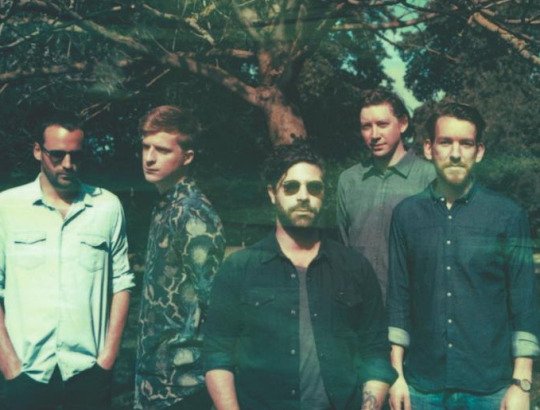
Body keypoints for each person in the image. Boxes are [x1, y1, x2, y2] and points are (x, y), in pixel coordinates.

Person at [204, 141, 396, 410]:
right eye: (291, 187)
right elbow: (217, 355)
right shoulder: (239, 269)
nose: (303, 196)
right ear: (272, 193)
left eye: (313, 187)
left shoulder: (355, 267)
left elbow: (375, 351)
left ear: (323, 194)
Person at [387, 102, 539, 410]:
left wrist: (521, 384)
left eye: (466, 143)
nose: (455, 153)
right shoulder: (406, 215)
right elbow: (399, 299)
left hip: (490, 389)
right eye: (445, 142)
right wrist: (396, 376)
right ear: (428, 148)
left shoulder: (508, 216)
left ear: (479, 151)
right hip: (421, 387)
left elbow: (524, 303)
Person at [0, 110, 134, 410]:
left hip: (88, 372)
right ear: (38, 151)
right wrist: (9, 365)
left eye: (76, 155)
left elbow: (122, 283)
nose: (68, 164)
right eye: (57, 155)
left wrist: (107, 359)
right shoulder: (6, 208)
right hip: (26, 373)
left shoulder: (107, 207)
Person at [134, 105, 225, 409]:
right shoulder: (166, 206)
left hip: (183, 386)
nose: (149, 158)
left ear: (187, 157)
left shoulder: (192, 212)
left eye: (162, 150)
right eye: (146, 147)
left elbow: (215, 302)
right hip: (155, 380)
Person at [337, 88, 434, 301]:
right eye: (366, 126)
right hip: (359, 304)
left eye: (382, 124)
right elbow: (343, 246)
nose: (374, 135)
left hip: (412, 304)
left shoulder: (429, 178)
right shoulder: (348, 180)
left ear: (403, 123)